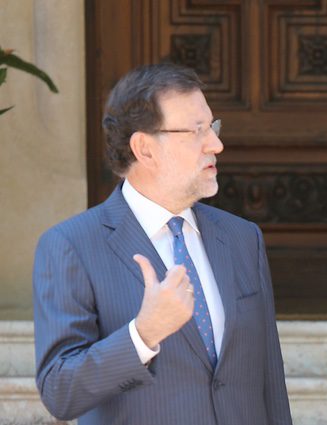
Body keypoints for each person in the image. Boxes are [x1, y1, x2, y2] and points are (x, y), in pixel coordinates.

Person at [33, 63, 293, 424]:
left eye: (213, 127)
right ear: (145, 148)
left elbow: (270, 385)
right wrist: (143, 334)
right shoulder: (71, 246)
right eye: (197, 130)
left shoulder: (242, 238)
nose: (216, 143)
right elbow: (59, 391)